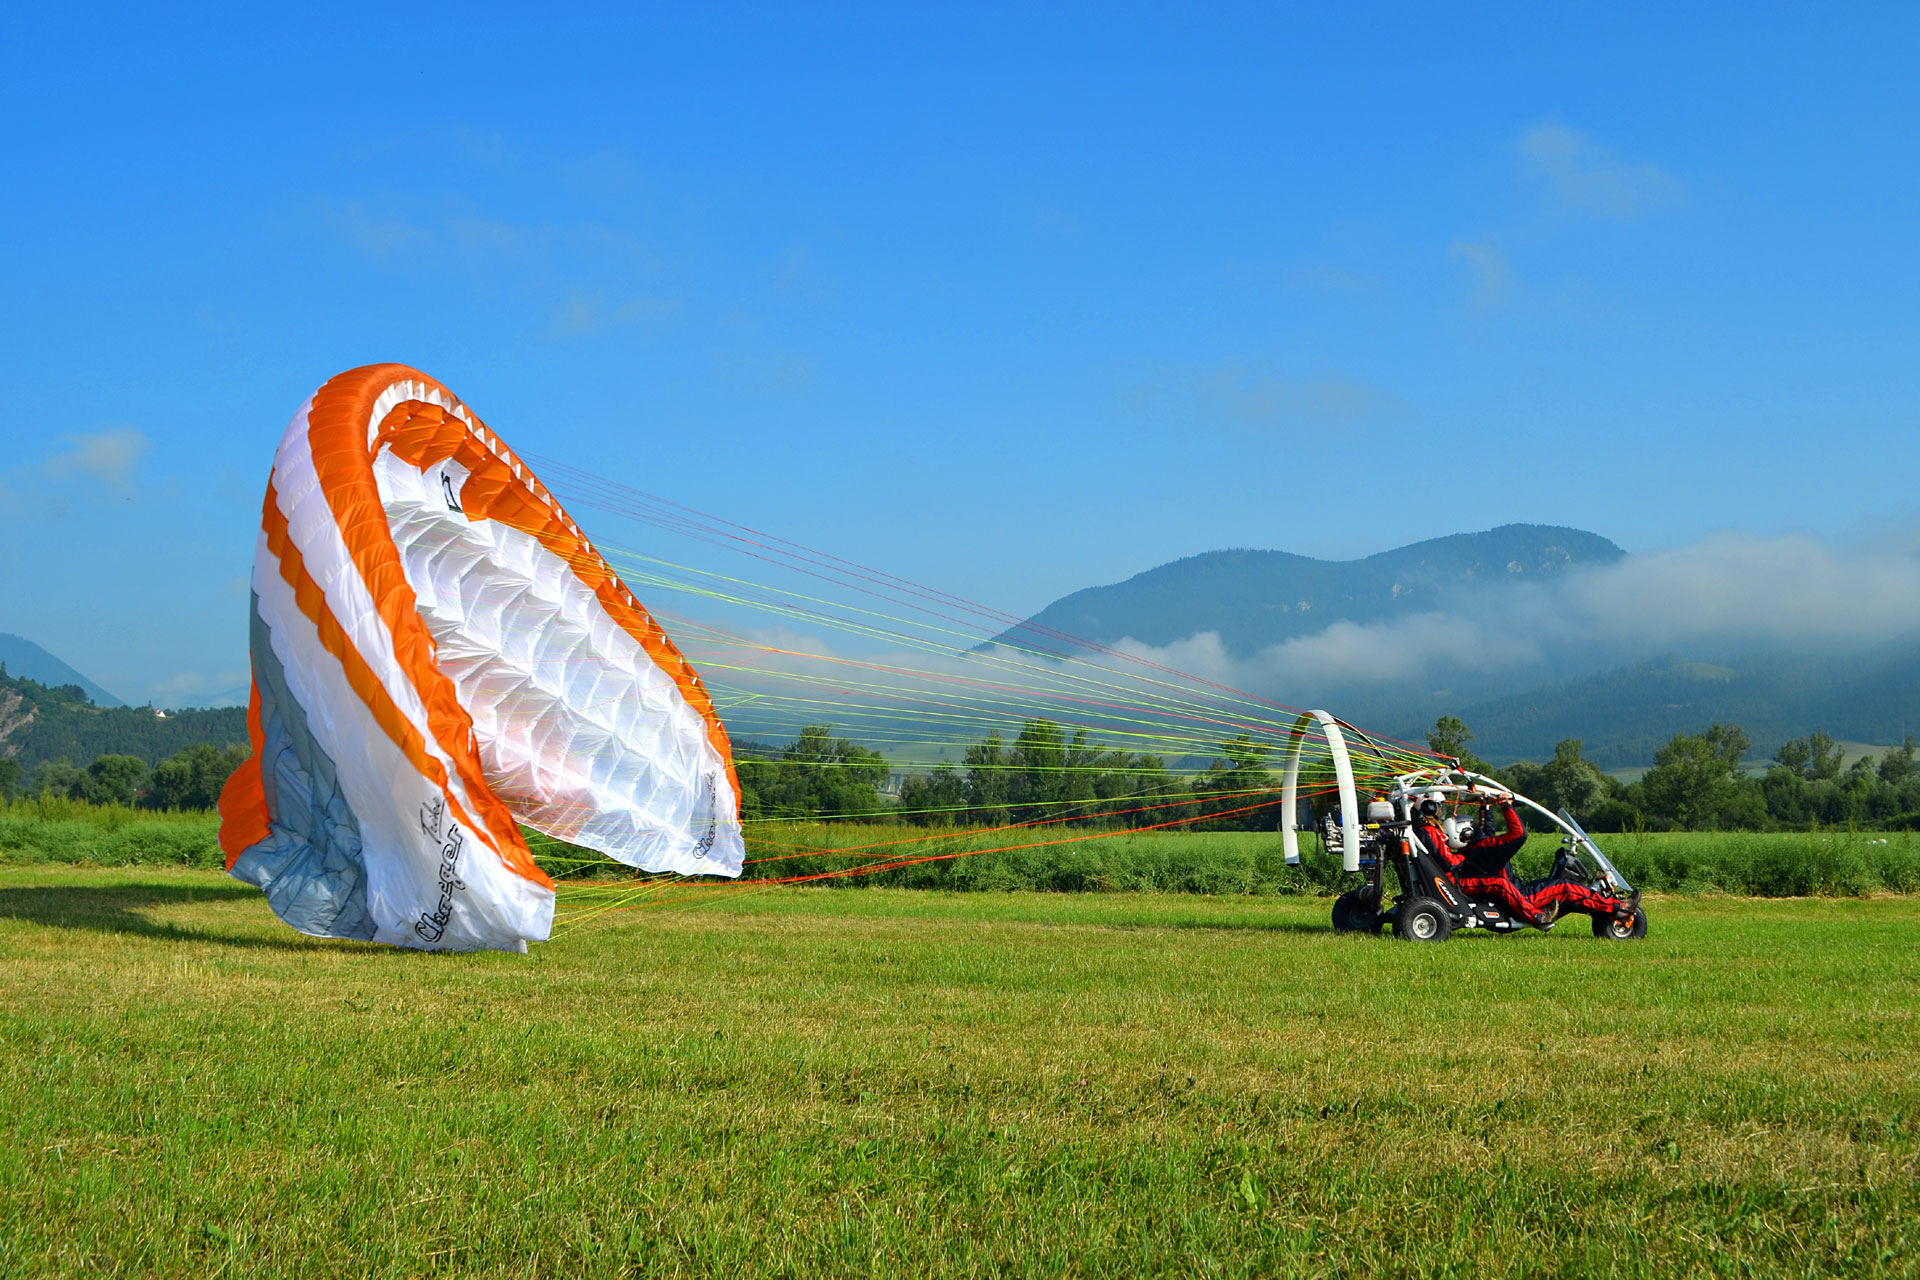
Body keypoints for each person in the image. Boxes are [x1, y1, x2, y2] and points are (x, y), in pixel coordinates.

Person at [1412, 790, 1635, 928]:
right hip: (1522, 894)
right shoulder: (1480, 850)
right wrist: (1507, 806)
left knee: (1566, 891)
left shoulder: (1476, 848)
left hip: (1515, 888)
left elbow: (1486, 831)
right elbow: (1519, 834)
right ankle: (1618, 908)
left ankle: (1606, 910)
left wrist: (1486, 806)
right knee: (1567, 888)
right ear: (1465, 834)